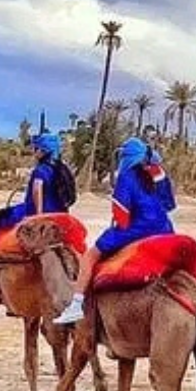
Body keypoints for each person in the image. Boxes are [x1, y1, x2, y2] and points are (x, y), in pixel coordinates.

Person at [54, 136, 174, 324]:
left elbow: (121, 216)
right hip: (165, 229)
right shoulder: (158, 172)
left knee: (90, 256)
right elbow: (169, 205)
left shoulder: (126, 177)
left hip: (137, 229)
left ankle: (76, 305)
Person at [0, 131, 69, 271]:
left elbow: (37, 190)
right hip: (59, 215)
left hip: (32, 210)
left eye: (36, 149)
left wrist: (39, 216)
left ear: (43, 151)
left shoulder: (40, 170)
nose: (34, 152)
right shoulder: (62, 170)